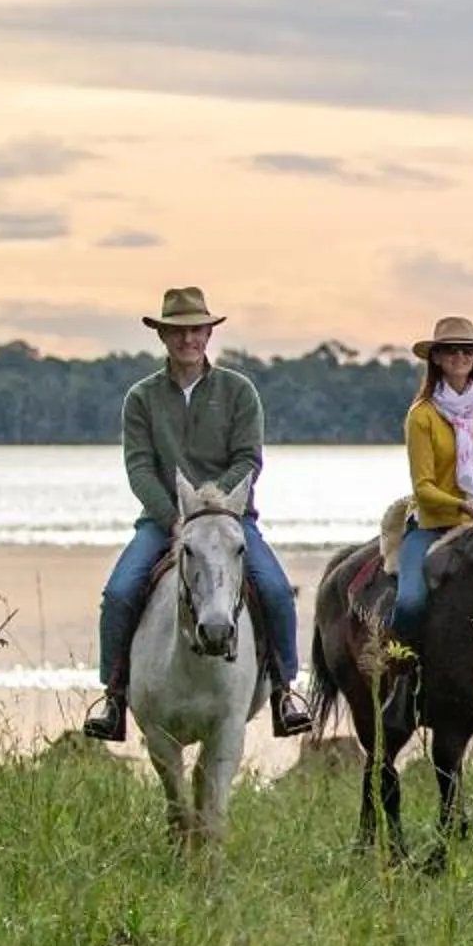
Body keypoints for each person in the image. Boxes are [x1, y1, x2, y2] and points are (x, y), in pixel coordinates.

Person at [84, 285, 312, 743]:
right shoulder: (142, 398)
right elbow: (139, 467)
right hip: (164, 520)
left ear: (209, 333)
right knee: (120, 592)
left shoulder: (238, 391)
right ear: (163, 335)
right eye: (178, 331)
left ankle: (284, 691)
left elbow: (248, 459)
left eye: (196, 330)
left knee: (274, 589)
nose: (188, 339)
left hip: (230, 518)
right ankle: (113, 696)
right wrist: (175, 516)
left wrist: (215, 507)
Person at [385, 314, 473, 730]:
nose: (460, 356)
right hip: (435, 524)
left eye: (467, 350)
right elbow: (422, 487)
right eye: (450, 350)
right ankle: (404, 684)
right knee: (409, 602)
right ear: (436, 358)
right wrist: (463, 508)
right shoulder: (421, 415)